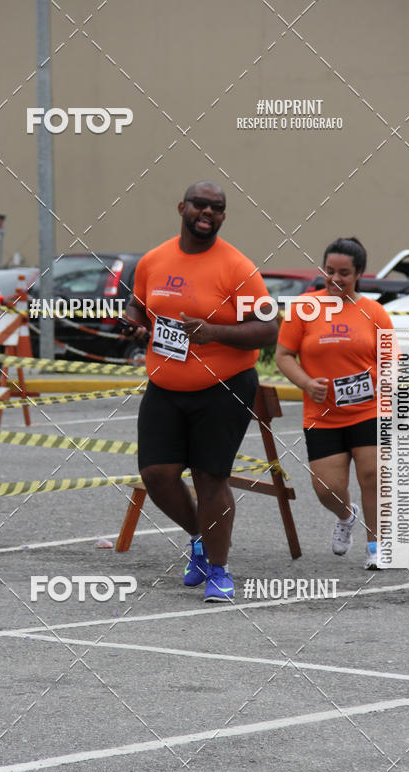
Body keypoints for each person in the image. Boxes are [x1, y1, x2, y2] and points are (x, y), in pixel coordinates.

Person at [125, 180, 277, 601]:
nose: (207, 212)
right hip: (165, 383)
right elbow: (140, 305)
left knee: (211, 478)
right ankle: (199, 539)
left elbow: (268, 330)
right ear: (182, 207)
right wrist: (133, 319)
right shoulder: (154, 260)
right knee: (157, 475)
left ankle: (219, 569)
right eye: (200, 205)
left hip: (223, 386)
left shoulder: (238, 268)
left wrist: (214, 331)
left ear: (223, 216)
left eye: (217, 208)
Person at [275, 236, 394, 570]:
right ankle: (345, 515)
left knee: (372, 475)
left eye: (344, 272)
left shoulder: (374, 312)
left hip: (368, 410)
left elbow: (390, 362)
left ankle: (377, 545)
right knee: (327, 488)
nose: (336, 278)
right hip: (322, 413)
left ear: (358, 274)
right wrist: (306, 383)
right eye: (330, 271)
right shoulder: (304, 308)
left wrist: (380, 387)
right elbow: (284, 355)